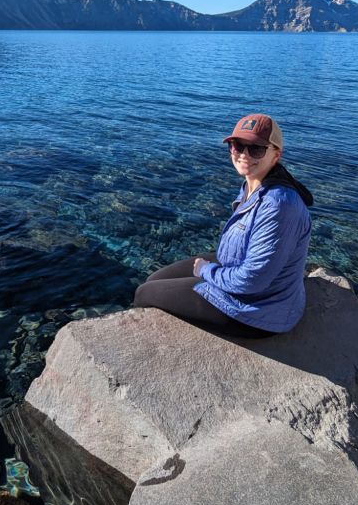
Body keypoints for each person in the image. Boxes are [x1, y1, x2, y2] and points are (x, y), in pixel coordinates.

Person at [134, 113, 313, 338]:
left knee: (144, 293)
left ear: (276, 155)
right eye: (238, 146)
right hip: (245, 280)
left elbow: (252, 280)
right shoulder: (254, 186)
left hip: (257, 311)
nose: (244, 155)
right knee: (153, 280)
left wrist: (206, 271)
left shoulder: (279, 205)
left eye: (256, 149)